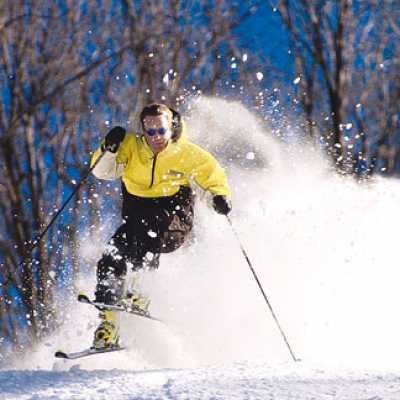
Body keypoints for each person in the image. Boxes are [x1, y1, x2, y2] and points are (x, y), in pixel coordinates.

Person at [90, 103, 231, 349]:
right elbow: (102, 171)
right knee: (112, 254)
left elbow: (211, 178)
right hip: (136, 218)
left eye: (161, 131)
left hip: (173, 219)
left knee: (151, 231)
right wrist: (109, 149)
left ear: (171, 127)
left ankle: (140, 290)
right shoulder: (131, 148)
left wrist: (218, 197)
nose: (156, 137)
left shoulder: (186, 152)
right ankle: (108, 323)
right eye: (150, 131)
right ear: (142, 129)